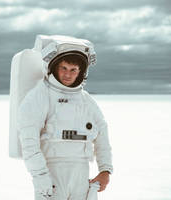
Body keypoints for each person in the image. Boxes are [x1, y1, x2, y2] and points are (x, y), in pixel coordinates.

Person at [17, 35, 113, 200]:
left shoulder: (86, 100)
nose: (68, 75)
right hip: (51, 174)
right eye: (64, 68)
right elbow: (29, 141)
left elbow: (102, 135)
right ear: (54, 67)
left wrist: (105, 170)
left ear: (80, 72)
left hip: (81, 174)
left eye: (73, 70)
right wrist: (40, 176)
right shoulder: (40, 96)